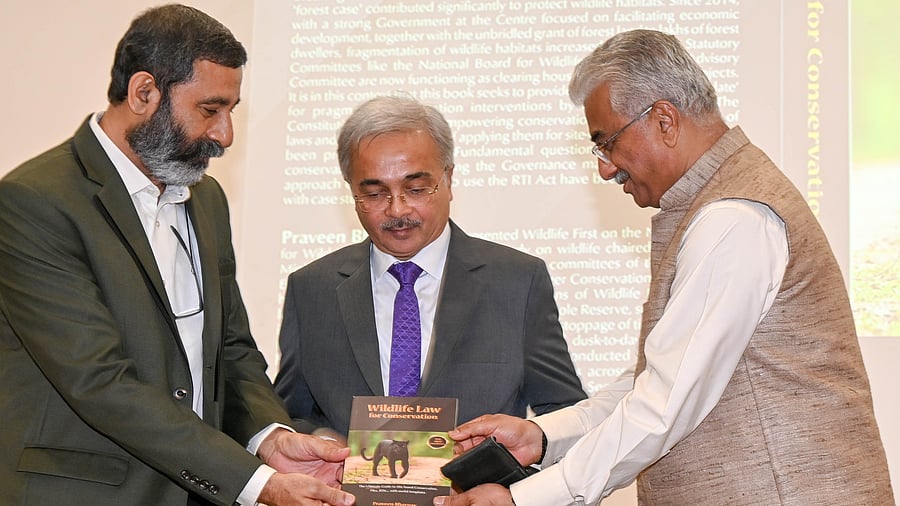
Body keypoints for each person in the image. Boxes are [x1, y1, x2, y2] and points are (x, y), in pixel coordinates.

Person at [435, 29, 894, 506]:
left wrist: (525, 500)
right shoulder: (715, 205)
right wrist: (543, 437)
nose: (605, 169)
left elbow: (664, 405)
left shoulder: (732, 217)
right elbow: (656, 382)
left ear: (665, 121)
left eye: (606, 143)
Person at [0, 5, 354, 506]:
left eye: (231, 111)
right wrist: (254, 484)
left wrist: (269, 436)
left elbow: (230, 350)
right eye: (210, 110)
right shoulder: (35, 202)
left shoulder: (205, 200)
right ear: (144, 92)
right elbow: (98, 380)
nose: (225, 134)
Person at [273, 94, 586, 439]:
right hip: (351, 491)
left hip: (478, 491)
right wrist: (319, 439)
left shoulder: (517, 282)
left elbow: (565, 414)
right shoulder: (312, 289)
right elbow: (292, 415)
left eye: (416, 188)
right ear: (351, 191)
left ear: (448, 180)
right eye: (375, 194)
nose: (397, 210)